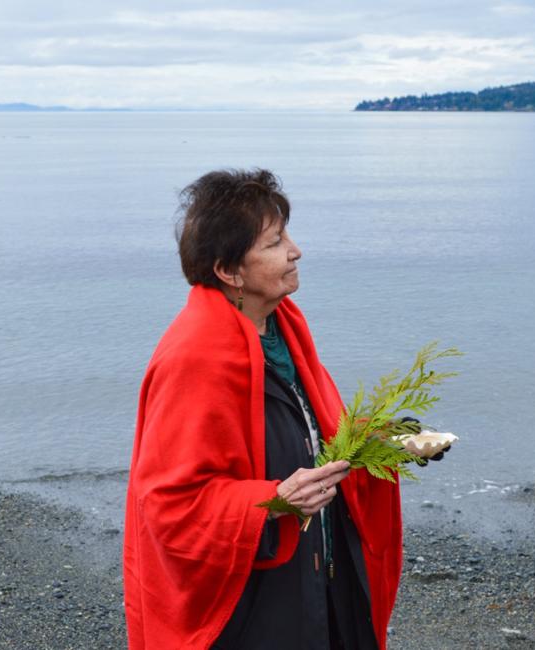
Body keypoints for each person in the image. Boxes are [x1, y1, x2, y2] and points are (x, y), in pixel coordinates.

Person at [123, 169, 404, 650]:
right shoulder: (196, 358)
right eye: (275, 243)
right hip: (251, 604)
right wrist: (274, 501)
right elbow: (168, 505)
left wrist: (381, 438)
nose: (296, 250)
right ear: (229, 272)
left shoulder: (281, 326)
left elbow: (308, 427)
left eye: (287, 236)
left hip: (317, 571)